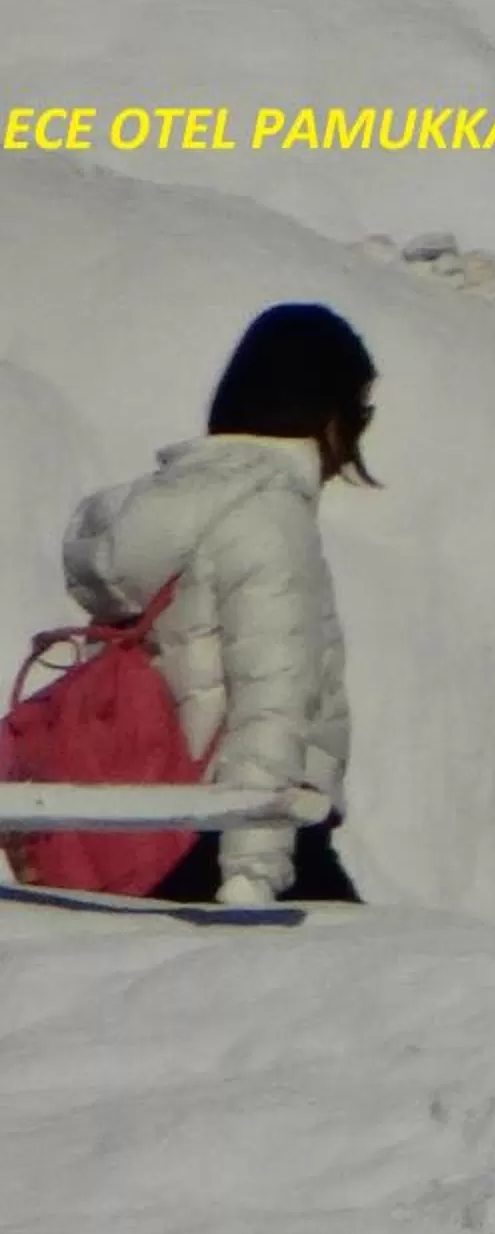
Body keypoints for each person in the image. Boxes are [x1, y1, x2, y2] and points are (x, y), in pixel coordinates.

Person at [59, 303, 373, 904]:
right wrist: (253, 875)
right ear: (323, 410)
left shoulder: (171, 508)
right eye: (359, 410)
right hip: (245, 826)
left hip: (154, 825)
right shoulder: (268, 515)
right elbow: (271, 703)